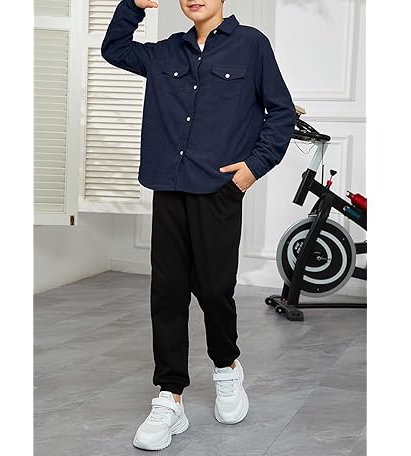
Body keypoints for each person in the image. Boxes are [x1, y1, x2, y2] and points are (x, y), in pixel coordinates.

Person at [102, 0, 296, 450]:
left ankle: (227, 368)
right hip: (169, 188)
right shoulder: (166, 52)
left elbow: (281, 112)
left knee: (213, 290)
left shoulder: (251, 46)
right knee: (167, 293)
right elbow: (115, 49)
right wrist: (132, 5)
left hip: (218, 191)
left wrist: (253, 168)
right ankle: (169, 397)